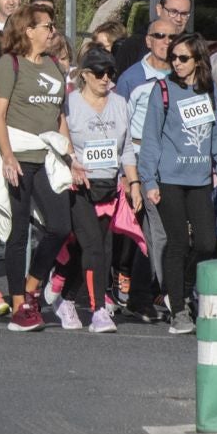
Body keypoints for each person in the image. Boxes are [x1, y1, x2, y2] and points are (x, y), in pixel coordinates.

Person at [132, 34, 217, 335]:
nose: (176, 63)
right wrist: (148, 179)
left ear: (198, 60)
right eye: (173, 57)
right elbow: (150, 138)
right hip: (169, 179)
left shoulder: (210, 90)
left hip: (200, 180)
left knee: (206, 242)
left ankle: (183, 289)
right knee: (177, 243)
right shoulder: (162, 90)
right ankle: (178, 310)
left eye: (183, 58)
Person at [0, 6, 75, 333]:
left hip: (48, 157)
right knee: (19, 230)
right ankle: (18, 305)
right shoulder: (9, 64)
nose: (52, 31)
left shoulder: (54, 65)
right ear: (28, 31)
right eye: (47, 26)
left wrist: (70, 157)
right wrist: (7, 156)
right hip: (19, 155)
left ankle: (32, 285)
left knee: (59, 226)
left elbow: (60, 116)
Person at [60, 49, 129, 332]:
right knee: (93, 248)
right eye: (99, 73)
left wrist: (131, 180)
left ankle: (66, 299)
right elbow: (61, 141)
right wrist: (72, 162)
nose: (105, 79)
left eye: (110, 73)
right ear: (85, 75)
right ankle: (98, 310)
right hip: (79, 185)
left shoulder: (120, 103)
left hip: (108, 185)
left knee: (93, 251)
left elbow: (128, 149)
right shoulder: (69, 104)